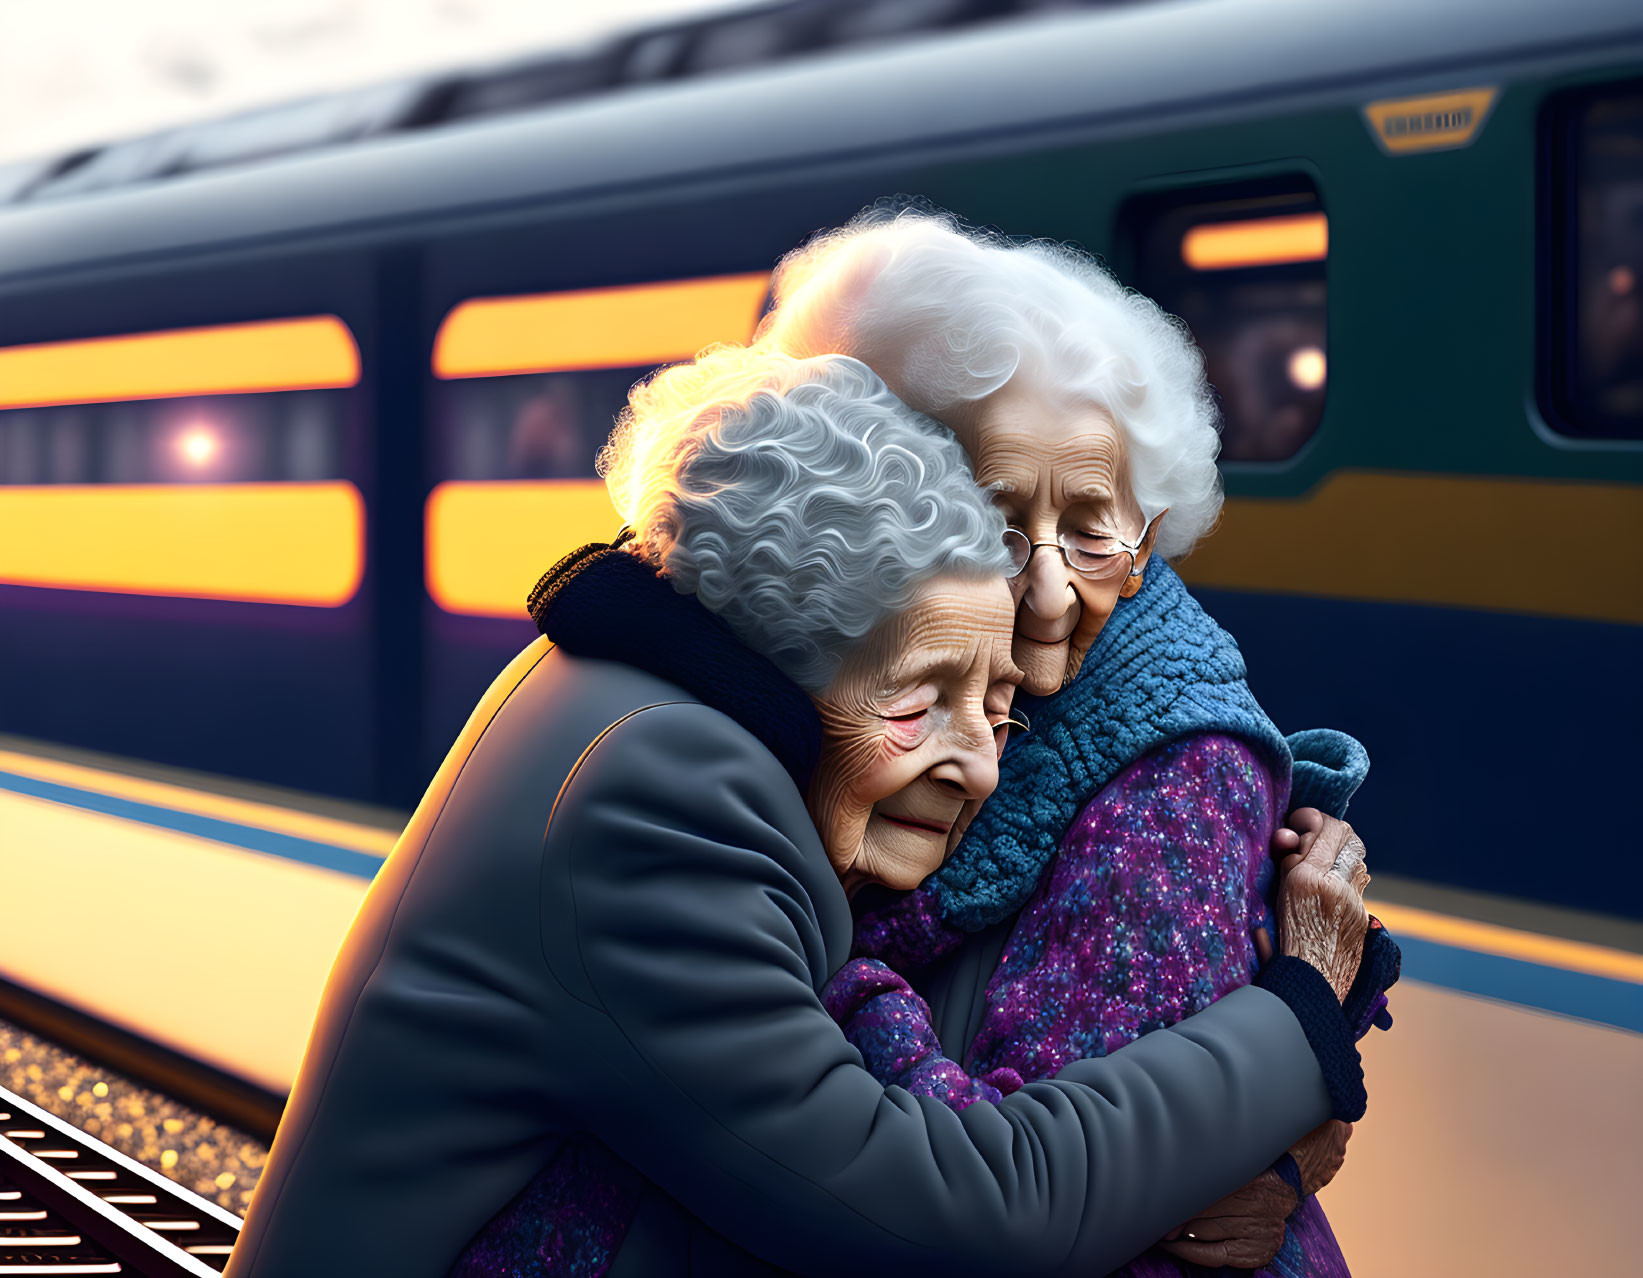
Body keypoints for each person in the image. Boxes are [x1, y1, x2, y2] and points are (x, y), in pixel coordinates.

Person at [225, 349, 1373, 1278]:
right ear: (787, 650)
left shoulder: (658, 697)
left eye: (997, 706)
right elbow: (968, 1213)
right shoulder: (657, 805)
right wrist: (1298, 1019)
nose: (977, 768)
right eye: (923, 705)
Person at [755, 207, 1400, 1274]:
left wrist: (814, 983)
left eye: (1093, 526)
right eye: (998, 526)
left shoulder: (1178, 775)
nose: (1050, 593)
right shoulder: (837, 656)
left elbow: (1056, 1199)